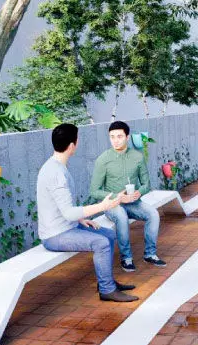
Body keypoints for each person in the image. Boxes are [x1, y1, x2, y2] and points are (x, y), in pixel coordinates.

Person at [37, 123, 138, 302]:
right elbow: (69, 212)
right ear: (72, 145)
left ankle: (107, 281)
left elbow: (62, 207)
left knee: (108, 235)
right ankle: (107, 290)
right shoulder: (56, 173)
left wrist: (81, 219)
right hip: (55, 235)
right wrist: (104, 206)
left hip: (68, 226)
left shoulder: (56, 166)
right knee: (101, 243)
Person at [90, 121, 166, 273]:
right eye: (112, 137)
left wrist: (139, 192)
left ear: (127, 137)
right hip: (112, 204)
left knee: (153, 214)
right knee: (121, 215)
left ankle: (150, 254)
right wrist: (117, 197)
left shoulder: (137, 157)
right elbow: (94, 191)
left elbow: (146, 184)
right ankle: (126, 258)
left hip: (133, 202)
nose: (115, 140)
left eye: (119, 136)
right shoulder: (103, 160)